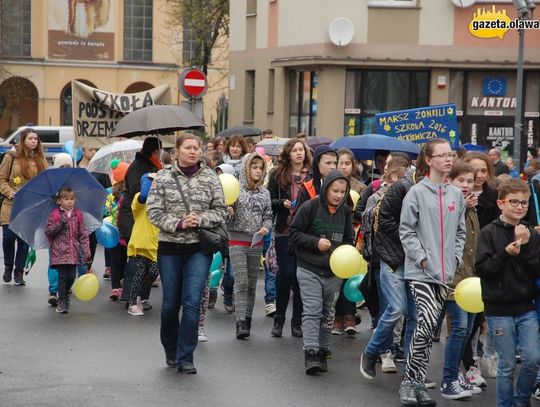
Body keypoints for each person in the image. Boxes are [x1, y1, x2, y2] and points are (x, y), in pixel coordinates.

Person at [147, 133, 227, 374]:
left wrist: (200, 219)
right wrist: (180, 223)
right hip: (170, 247)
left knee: (192, 301)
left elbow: (221, 211)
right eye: (188, 148)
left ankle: (186, 356)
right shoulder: (163, 177)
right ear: (177, 152)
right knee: (170, 304)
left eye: (197, 148)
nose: (193, 151)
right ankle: (170, 349)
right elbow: (153, 211)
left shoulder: (210, 177)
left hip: (198, 249)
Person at [397, 139, 466, 406]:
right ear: (428, 160)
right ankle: (409, 382)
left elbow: (460, 232)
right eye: (442, 155)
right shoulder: (416, 192)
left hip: (445, 274)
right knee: (425, 322)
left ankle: (418, 383)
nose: (449, 159)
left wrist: (456, 257)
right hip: (420, 272)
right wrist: (423, 259)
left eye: (450, 155)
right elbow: (406, 230)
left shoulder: (456, 194)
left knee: (427, 331)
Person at [475, 179, 540, 407]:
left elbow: (535, 270)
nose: (520, 207)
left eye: (524, 203)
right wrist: (506, 253)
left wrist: (525, 246)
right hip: (499, 308)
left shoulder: (531, 233)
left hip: (526, 306)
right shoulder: (488, 233)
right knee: (507, 365)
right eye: (514, 202)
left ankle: (521, 402)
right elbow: (483, 269)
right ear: (501, 203)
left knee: (532, 359)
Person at [288, 170, 355, 375]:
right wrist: (315, 242)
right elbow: (294, 233)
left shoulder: (345, 213)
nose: (338, 195)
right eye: (335, 190)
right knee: (312, 310)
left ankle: (323, 349)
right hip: (309, 268)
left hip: (334, 272)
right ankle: (311, 352)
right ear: (326, 188)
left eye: (343, 192)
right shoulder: (310, 207)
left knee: (328, 312)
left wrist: (345, 256)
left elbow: (348, 240)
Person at [441, 161, 485, 400]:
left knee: (467, 329)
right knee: (458, 328)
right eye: (461, 181)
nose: (467, 185)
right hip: (452, 279)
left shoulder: (471, 207)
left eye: (470, 181)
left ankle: (457, 376)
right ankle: (449, 379)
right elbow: (444, 232)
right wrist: (461, 208)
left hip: (469, 279)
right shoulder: (449, 204)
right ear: (449, 181)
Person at [267, 139, 312, 338]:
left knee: (300, 278)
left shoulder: (311, 174)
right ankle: (279, 319)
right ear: (288, 154)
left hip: (305, 232)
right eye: (295, 150)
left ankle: (297, 322)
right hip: (284, 230)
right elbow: (269, 200)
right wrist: (281, 203)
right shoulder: (277, 174)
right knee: (286, 274)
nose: (299, 153)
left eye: (301, 150)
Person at [227, 153, 273, 339]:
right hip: (237, 240)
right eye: (254, 167)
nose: (257, 171)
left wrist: (265, 227)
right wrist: (228, 211)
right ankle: (239, 321)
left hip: (256, 241)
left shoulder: (265, 192)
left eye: (260, 168)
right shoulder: (236, 190)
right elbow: (224, 216)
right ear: (247, 168)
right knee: (242, 281)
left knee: (252, 284)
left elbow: (268, 216)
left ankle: (247, 320)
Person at [0, 128, 48, 285]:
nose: (34, 141)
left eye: (36, 139)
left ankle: (19, 271)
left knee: (24, 240)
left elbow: (45, 181)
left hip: (30, 206)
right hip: (11, 203)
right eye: (30, 138)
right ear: (23, 140)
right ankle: (8, 265)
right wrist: (9, 192)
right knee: (8, 237)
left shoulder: (40, 159)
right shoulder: (11, 157)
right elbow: (1, 179)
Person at [44, 187, 91, 314]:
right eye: (66, 199)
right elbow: (49, 231)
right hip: (59, 252)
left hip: (73, 251)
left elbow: (83, 234)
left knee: (71, 276)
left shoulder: (78, 214)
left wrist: (86, 251)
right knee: (63, 276)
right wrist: (61, 221)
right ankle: (62, 302)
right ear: (59, 201)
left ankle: (64, 295)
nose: (70, 202)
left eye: (72, 199)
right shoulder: (54, 214)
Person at [125, 173, 159, 316]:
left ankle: (140, 295)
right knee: (138, 274)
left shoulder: (160, 199)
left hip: (155, 244)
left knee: (153, 272)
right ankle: (132, 303)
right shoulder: (139, 198)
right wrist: (150, 179)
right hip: (140, 242)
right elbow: (143, 197)